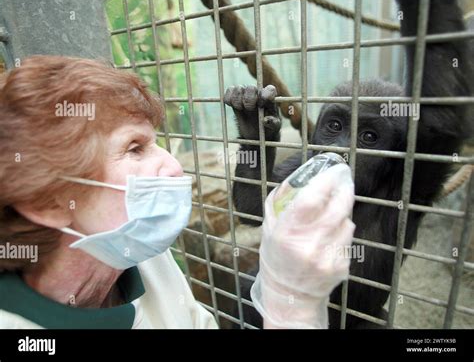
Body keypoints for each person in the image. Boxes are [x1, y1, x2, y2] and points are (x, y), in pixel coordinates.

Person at [0, 55, 354, 329]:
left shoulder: (143, 260)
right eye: (134, 148)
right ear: (45, 201)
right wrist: (292, 308)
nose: (174, 166)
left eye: (155, 142)